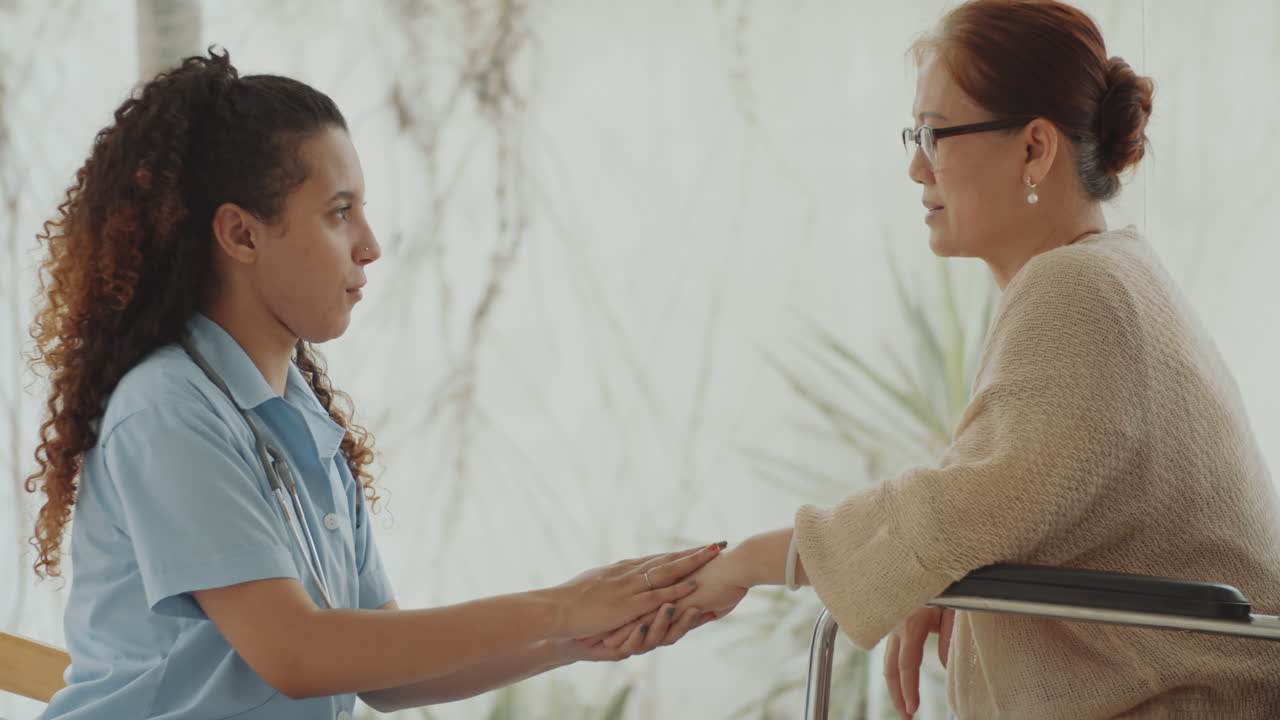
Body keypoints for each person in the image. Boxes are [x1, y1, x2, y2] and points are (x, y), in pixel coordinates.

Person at [25, 49, 720, 719]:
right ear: (241, 235)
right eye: (339, 212)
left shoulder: (297, 420)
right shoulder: (168, 412)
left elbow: (380, 672)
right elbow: (298, 655)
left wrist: (571, 641)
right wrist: (562, 605)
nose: (370, 244)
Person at [653, 1, 1280, 717]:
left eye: (936, 133)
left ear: (1033, 150)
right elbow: (1021, 494)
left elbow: (958, 508)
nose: (916, 164)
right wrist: (956, 576)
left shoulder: (1073, 290)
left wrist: (746, 564)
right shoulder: (1112, 270)